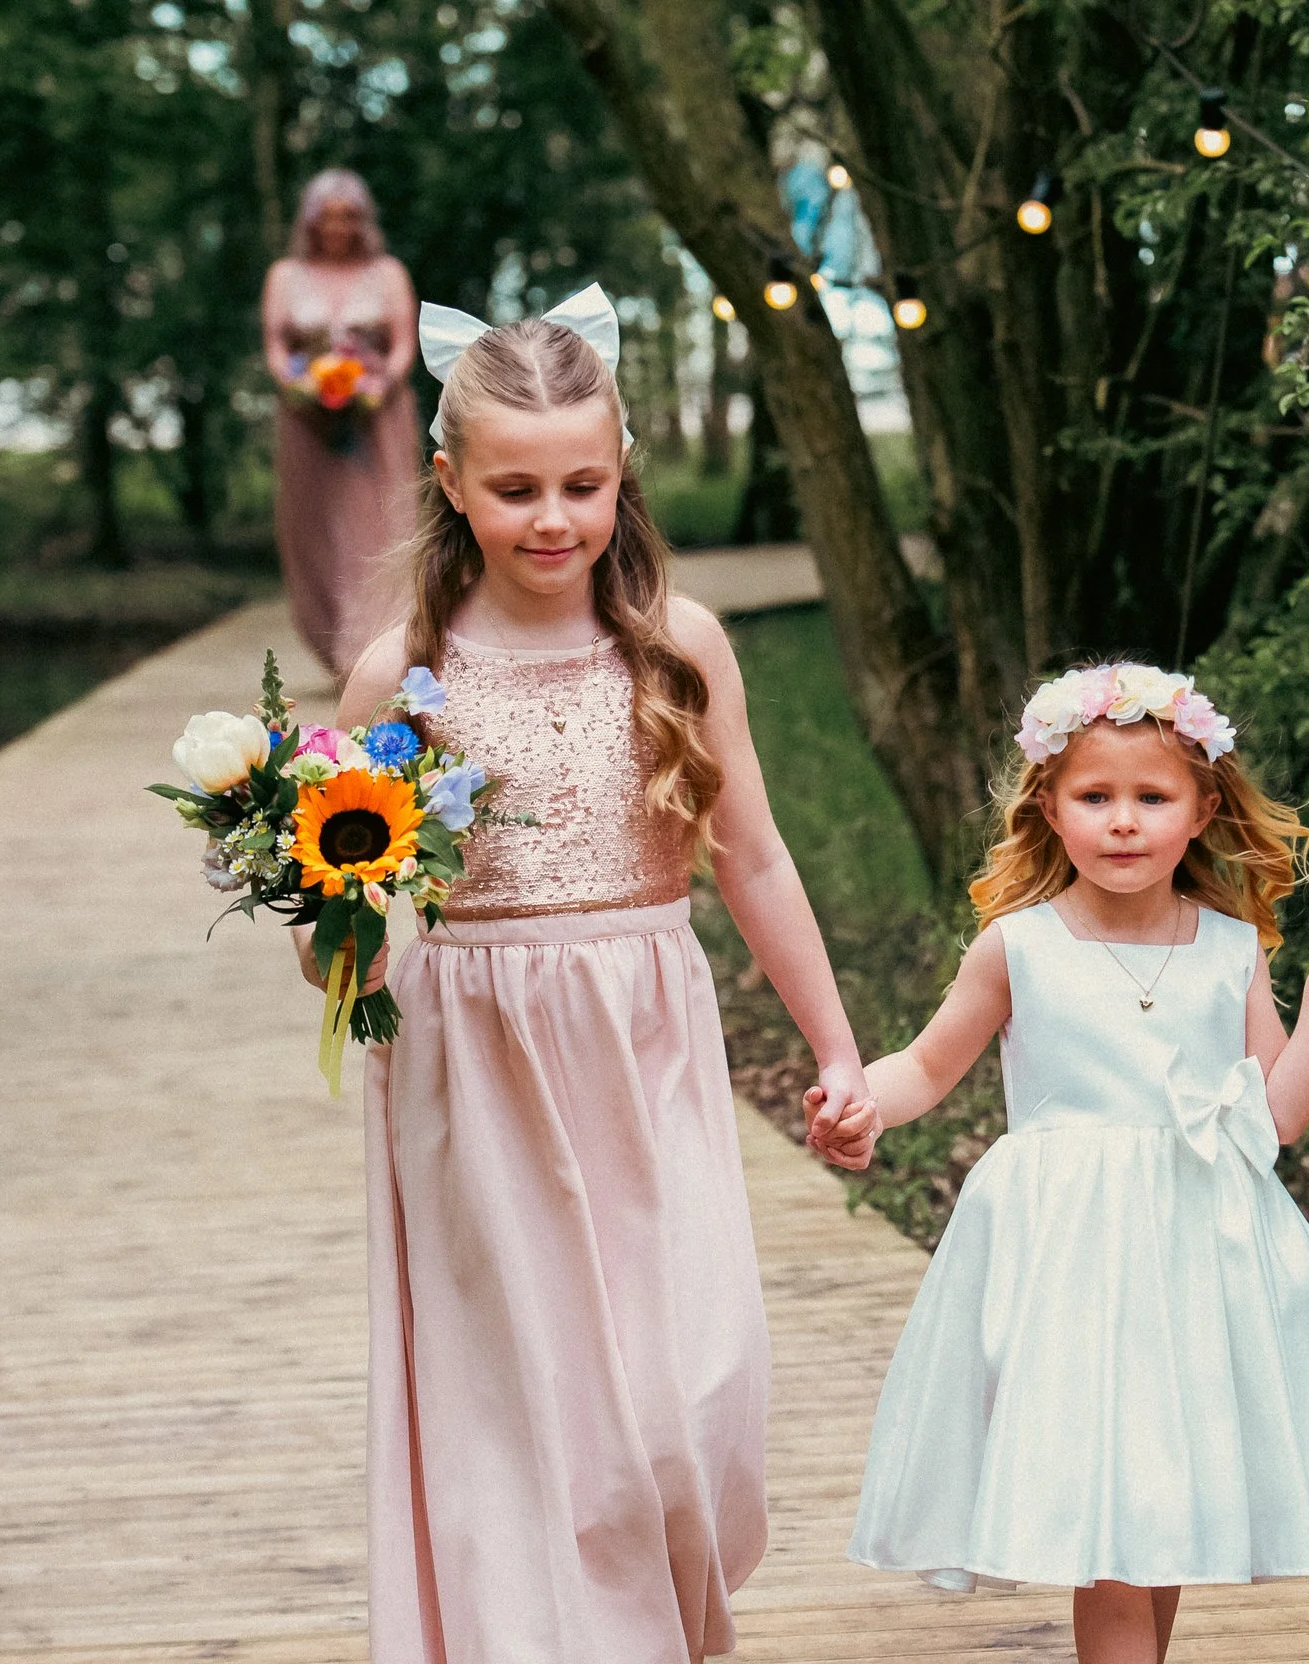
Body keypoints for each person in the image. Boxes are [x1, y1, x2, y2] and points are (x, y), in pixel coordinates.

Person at [299, 283, 870, 1662]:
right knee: (526, 1398)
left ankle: (660, 1604)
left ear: (622, 472)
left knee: (691, 1387)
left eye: (581, 485)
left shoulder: (676, 646)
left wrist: (839, 1047)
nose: (551, 518)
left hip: (645, 1040)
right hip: (475, 1062)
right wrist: (321, 904)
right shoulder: (403, 673)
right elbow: (337, 934)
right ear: (450, 481)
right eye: (515, 490)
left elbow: (754, 858)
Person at [805, 663, 1309, 1664]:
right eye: (1096, 797)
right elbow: (925, 1064)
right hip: (1070, 1260)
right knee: (1110, 1523)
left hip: (1196, 1254)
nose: (1125, 821)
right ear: (1049, 809)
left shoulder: (1230, 948)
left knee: (1155, 1506)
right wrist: (861, 1102)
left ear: (1202, 811)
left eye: (1153, 797)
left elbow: (1276, 1116)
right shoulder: (1018, 947)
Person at [261, 168, 420, 676]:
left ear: (362, 219)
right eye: (327, 216)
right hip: (306, 421)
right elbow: (276, 347)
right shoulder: (285, 275)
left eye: (348, 215)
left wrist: (380, 386)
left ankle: (373, 645)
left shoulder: (388, 273)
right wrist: (298, 386)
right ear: (310, 220)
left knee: (381, 524)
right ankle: (331, 639)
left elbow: (403, 345)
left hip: (379, 418)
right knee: (312, 527)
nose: (337, 226)